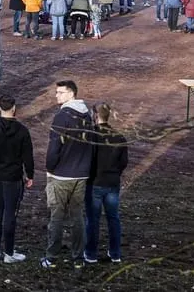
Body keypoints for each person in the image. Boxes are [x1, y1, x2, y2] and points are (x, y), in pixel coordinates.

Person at [0, 94, 36, 264]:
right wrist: (30, 175)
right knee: (10, 214)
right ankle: (9, 253)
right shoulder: (22, 130)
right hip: (13, 177)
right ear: (14, 108)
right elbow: (28, 156)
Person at [42, 80, 93, 270]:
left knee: (56, 217)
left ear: (71, 94)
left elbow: (54, 147)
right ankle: (78, 257)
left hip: (61, 175)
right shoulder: (88, 116)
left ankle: (52, 257)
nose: (56, 95)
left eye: (60, 92)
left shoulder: (62, 116)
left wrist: (50, 168)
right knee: (77, 216)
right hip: (81, 174)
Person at [84, 102, 128, 265]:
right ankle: (115, 253)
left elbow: (87, 160)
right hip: (112, 183)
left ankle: (91, 254)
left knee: (92, 220)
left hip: (94, 182)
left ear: (95, 116)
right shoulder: (119, 137)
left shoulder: (91, 137)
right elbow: (123, 162)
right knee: (113, 218)